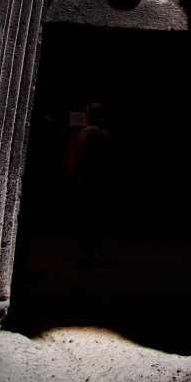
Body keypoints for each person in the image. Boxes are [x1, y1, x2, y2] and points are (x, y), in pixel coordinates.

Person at [74, 102, 113, 266]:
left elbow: (81, 156)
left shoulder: (87, 132)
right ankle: (90, 249)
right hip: (100, 177)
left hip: (88, 176)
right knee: (94, 215)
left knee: (86, 215)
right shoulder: (105, 133)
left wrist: (77, 177)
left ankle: (87, 250)